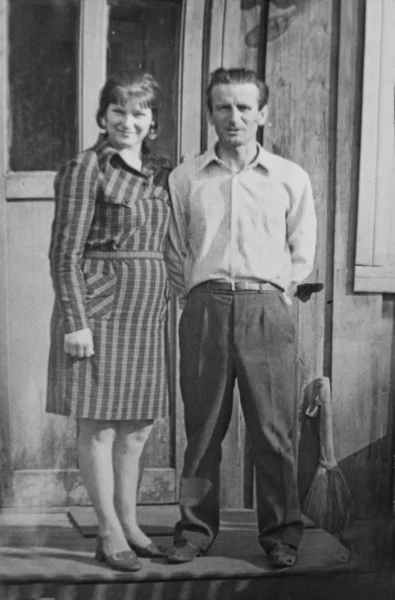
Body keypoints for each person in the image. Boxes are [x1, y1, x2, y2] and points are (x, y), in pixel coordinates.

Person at [165, 67, 316, 568]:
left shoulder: (289, 177)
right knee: (203, 428)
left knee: (273, 430)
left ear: (262, 114)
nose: (234, 116)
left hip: (265, 310)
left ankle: (280, 536)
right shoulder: (186, 176)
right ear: (210, 113)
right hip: (205, 307)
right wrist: (197, 296)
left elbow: (302, 252)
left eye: (244, 107)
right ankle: (194, 530)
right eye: (223, 107)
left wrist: (274, 298)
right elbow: (174, 250)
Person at [46, 70, 172, 572]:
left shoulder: (161, 173)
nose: (128, 120)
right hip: (98, 310)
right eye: (118, 111)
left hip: (146, 314)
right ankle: (107, 531)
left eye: (139, 112)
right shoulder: (86, 168)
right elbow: (63, 252)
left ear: (152, 121)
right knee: (98, 428)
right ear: (103, 116)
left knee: (137, 429)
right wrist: (76, 320)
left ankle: (131, 520)